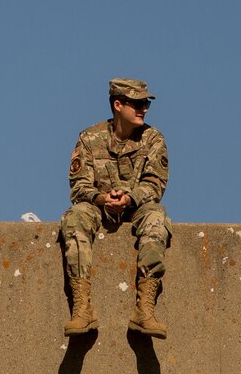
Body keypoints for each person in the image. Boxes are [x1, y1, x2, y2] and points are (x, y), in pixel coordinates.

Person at [59, 78, 170, 339]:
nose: (144, 108)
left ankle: (145, 309)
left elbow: (155, 184)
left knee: (156, 216)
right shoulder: (89, 138)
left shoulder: (153, 139)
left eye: (146, 103)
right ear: (118, 105)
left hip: (137, 207)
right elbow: (78, 186)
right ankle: (82, 308)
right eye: (138, 103)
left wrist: (129, 198)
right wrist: (101, 198)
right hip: (99, 207)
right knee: (75, 218)